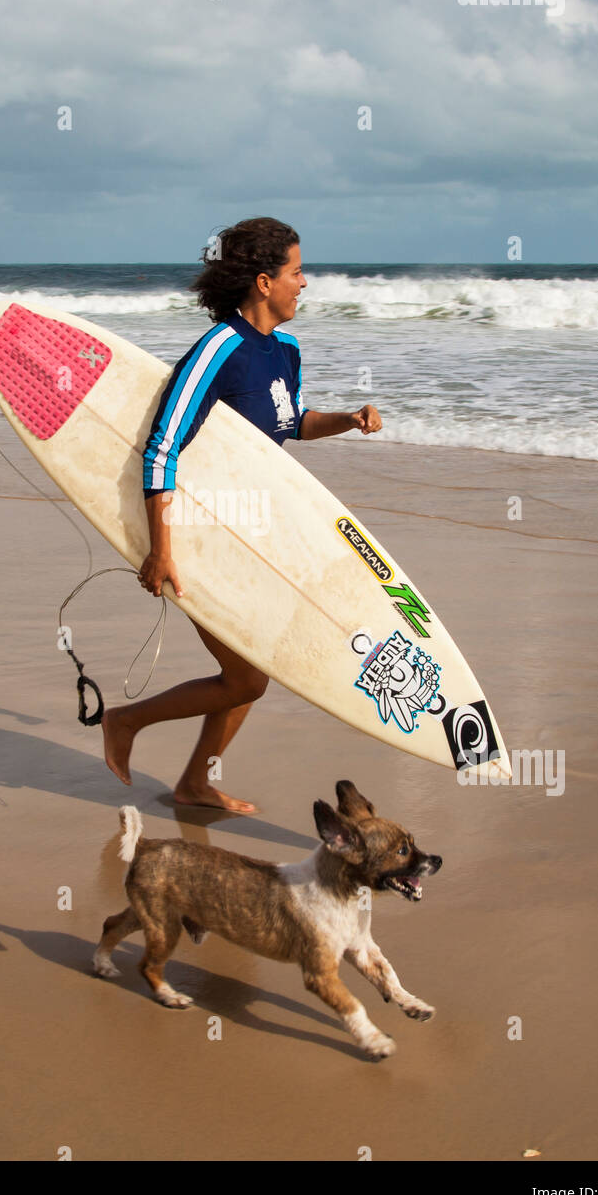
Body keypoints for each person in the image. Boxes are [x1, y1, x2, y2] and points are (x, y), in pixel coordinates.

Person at [101, 217, 382, 813]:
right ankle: (125, 722)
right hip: (202, 536)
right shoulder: (217, 350)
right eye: (296, 271)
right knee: (248, 677)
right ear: (263, 282)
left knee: (254, 668)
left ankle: (194, 782)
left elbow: (293, 424)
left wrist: (348, 420)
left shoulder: (286, 349)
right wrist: (161, 549)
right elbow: (163, 445)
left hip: (254, 535)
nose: (304, 283)